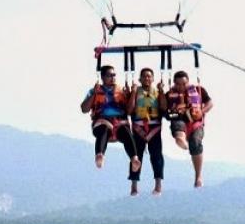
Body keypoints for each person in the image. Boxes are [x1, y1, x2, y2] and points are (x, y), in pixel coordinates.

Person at [80, 64, 141, 173]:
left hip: (119, 123)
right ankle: (99, 155)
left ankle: (134, 158)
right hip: (101, 121)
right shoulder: (94, 91)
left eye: (114, 75)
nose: (113, 77)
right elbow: (84, 109)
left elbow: (129, 111)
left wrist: (133, 93)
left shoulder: (122, 91)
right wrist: (94, 93)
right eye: (110, 75)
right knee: (103, 129)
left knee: (127, 133)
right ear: (103, 77)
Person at [165, 70, 213, 188]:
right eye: (178, 84)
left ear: (188, 82)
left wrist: (202, 111)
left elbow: (210, 103)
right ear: (174, 84)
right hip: (179, 120)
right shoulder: (169, 94)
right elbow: (163, 110)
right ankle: (180, 139)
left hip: (195, 123)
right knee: (178, 124)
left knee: (195, 143)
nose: (181, 87)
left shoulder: (198, 90)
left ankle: (198, 176)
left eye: (184, 84)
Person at [127, 67, 167, 196]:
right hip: (139, 128)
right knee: (136, 157)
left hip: (154, 128)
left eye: (149, 76)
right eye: (144, 76)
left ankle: (158, 185)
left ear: (153, 79)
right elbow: (129, 111)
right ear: (139, 79)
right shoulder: (136, 91)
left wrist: (161, 91)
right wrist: (132, 93)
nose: (147, 78)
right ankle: (134, 185)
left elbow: (164, 108)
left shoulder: (157, 91)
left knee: (156, 156)